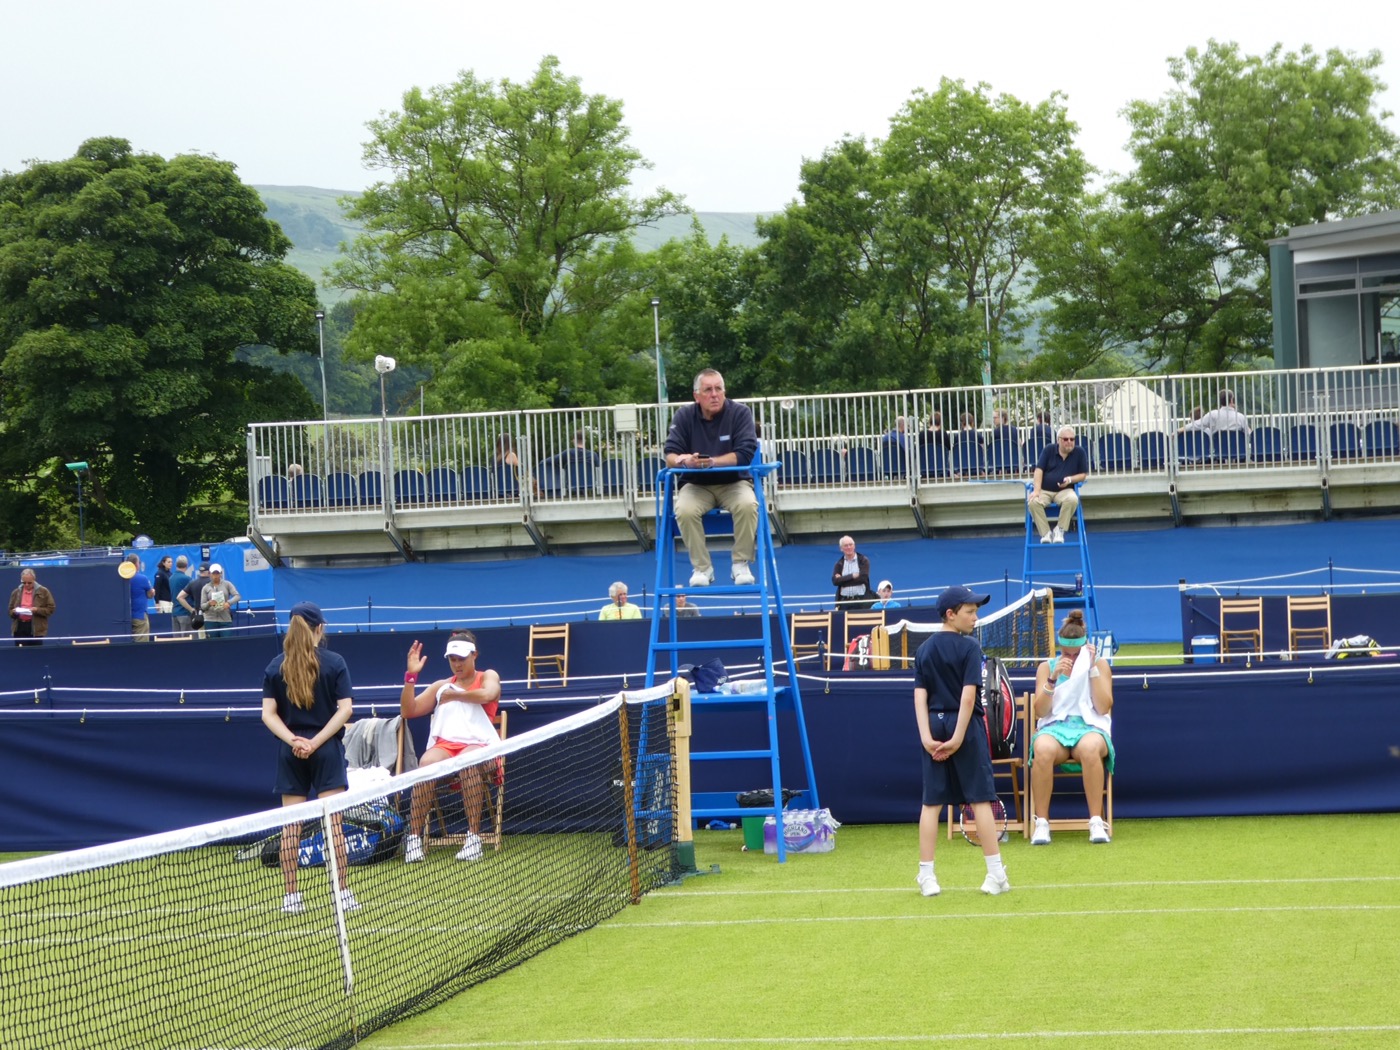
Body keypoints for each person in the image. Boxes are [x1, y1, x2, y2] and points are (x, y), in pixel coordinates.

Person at [260, 600, 357, 915]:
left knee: (292, 827)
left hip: (292, 751)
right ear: (320, 628)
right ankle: (341, 893)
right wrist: (313, 742)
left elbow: (267, 715)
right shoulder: (335, 661)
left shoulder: (275, 666)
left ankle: (291, 897)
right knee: (335, 825)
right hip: (324, 749)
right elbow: (345, 710)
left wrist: (294, 740)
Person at [913, 585, 1010, 897]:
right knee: (981, 799)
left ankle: (927, 877)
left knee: (931, 803)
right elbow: (969, 697)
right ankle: (995, 874)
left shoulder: (924, 649)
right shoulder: (970, 647)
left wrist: (927, 737)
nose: (975, 617)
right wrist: (956, 739)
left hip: (934, 725)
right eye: (969, 612)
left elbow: (920, 698)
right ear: (950, 614)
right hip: (964, 728)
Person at [400, 631, 503, 864]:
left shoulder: (488, 675)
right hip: (446, 747)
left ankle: (473, 839)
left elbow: (490, 694)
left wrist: (455, 696)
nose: (457, 664)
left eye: (462, 658)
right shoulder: (441, 686)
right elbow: (408, 711)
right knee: (426, 764)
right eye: (452, 659)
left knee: (468, 761)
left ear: (474, 655)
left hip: (480, 746)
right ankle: (414, 840)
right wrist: (411, 677)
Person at [663, 368, 760, 588]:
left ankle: (741, 563)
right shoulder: (684, 416)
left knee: (748, 504)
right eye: (708, 390)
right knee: (684, 510)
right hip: (696, 485)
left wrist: (712, 462)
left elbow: (746, 453)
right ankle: (702, 568)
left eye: (719, 389)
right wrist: (684, 461)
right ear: (697, 396)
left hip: (734, 482)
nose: (715, 394)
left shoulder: (740, 413)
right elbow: (669, 453)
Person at [1029, 609, 1115, 845]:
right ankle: (1042, 824)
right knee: (1042, 750)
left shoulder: (1099, 665)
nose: (1071, 658)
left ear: (1085, 648)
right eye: (1066, 653)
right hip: (1055, 728)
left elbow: (1103, 707)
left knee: (1089, 749)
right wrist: (1053, 678)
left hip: (1089, 727)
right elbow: (1041, 711)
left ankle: (1096, 822)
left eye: (1076, 654)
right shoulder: (1047, 667)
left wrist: (1091, 670)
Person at [1027, 426, 1089, 544]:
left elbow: (1083, 475)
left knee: (1073, 499)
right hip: (1045, 490)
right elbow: (1038, 470)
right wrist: (1036, 490)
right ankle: (1045, 533)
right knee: (1033, 501)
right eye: (1065, 439)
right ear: (1058, 440)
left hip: (1065, 491)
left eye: (1072, 439)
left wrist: (1070, 479)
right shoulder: (1048, 450)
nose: (1069, 442)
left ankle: (1059, 530)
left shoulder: (1080, 452)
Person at [8, 568, 56, 647]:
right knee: (21, 654)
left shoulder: (43, 591)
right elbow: (10, 611)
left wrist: (37, 610)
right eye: (24, 583)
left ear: (34, 580)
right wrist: (14, 612)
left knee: (36, 654)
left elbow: (51, 608)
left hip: (35, 627)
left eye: (29, 583)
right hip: (20, 626)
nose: (26, 585)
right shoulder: (16, 592)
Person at [1182, 389, 1252, 436]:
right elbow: (1248, 433)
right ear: (1231, 400)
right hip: (1237, 451)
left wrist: (1179, 430)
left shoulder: (1212, 414)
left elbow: (1196, 424)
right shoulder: (1241, 417)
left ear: (1220, 401)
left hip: (1219, 452)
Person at [200, 563, 241, 639]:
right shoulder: (206, 588)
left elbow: (237, 596)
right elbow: (202, 606)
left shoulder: (227, 584)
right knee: (212, 645)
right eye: (213, 573)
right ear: (210, 574)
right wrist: (209, 603)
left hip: (225, 619)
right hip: (210, 620)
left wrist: (228, 603)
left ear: (221, 574)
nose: (215, 576)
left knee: (226, 643)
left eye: (217, 573)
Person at [831, 535, 874, 609]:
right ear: (841, 548)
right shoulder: (839, 564)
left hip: (861, 601)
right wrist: (852, 576)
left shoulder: (863, 560)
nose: (849, 547)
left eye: (850, 545)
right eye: (846, 545)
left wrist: (842, 580)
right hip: (844, 602)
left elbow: (863, 578)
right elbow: (835, 581)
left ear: (854, 546)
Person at [177, 564, 211, 637]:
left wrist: (191, 610)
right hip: (212, 615)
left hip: (199, 616)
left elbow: (180, 597)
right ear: (209, 572)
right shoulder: (212, 583)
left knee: (202, 639)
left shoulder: (193, 583)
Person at [127, 555, 154, 641]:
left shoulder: (121, 579)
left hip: (124, 617)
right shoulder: (142, 578)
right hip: (139, 616)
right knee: (142, 643)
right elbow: (150, 595)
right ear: (136, 564)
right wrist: (152, 592)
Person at [167, 556, 193, 635]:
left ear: (176, 565)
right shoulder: (187, 579)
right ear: (186, 565)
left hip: (175, 612)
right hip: (185, 613)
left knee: (177, 641)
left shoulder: (171, 578)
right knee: (188, 640)